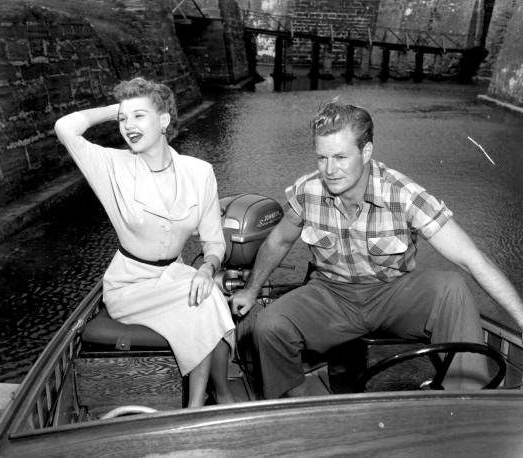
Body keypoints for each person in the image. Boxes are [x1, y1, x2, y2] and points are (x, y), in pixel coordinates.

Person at [231, 99, 523, 399]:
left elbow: (472, 258)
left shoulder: (404, 194)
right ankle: (299, 407)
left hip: (393, 292)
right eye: (322, 158)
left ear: (366, 152)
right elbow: (278, 241)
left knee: (452, 287)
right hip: (332, 294)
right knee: (269, 326)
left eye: (341, 157)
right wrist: (251, 290)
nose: (330, 170)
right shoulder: (308, 191)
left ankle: (466, 402)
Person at [54, 77, 235, 407]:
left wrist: (208, 268)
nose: (128, 126)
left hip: (174, 275)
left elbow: (214, 242)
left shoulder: (200, 172)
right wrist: (116, 109)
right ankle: (204, 403)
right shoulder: (111, 166)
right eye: (124, 119)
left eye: (139, 116)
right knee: (202, 302)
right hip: (130, 284)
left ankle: (207, 397)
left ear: (164, 120)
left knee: (206, 291)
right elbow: (65, 128)